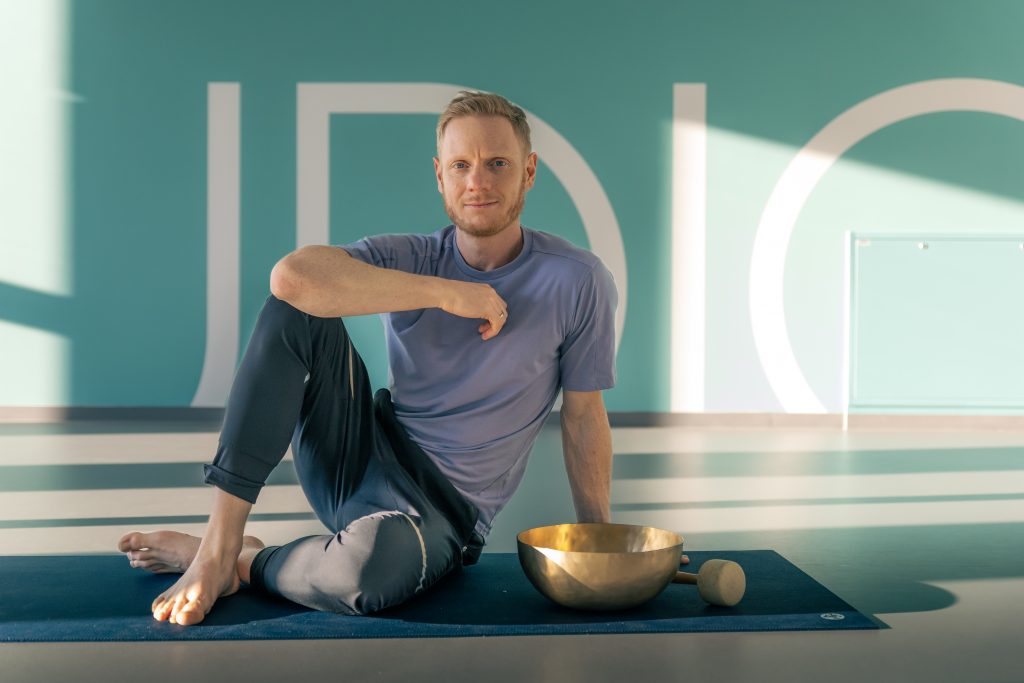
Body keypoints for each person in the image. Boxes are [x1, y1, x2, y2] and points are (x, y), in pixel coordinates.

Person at [118, 91, 619, 626]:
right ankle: (218, 547)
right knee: (296, 307)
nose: (478, 182)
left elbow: (584, 415)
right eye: (461, 165)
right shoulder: (412, 258)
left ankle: (244, 562)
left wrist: (604, 540)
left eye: (498, 163)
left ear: (529, 171)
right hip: (358, 454)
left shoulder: (579, 281)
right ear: (440, 176)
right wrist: (445, 293)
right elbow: (292, 277)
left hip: (439, 516)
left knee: (368, 576)